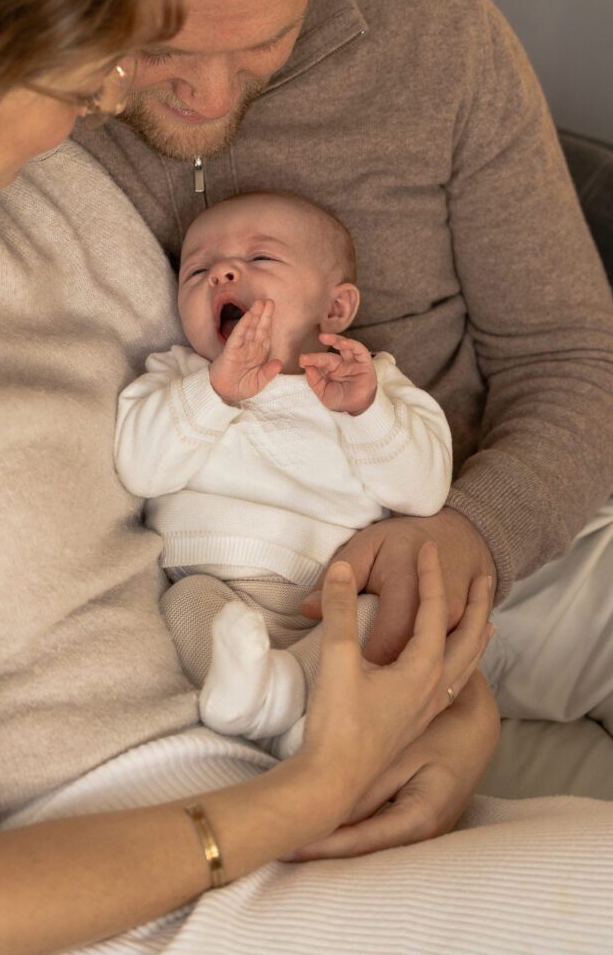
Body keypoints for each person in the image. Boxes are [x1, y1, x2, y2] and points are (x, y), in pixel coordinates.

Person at [83, 0, 613, 763]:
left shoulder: (438, 29)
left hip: (489, 538)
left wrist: (476, 535)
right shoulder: (30, 93)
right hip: (221, 588)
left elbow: (572, 358)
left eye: (264, 40)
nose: (212, 99)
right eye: (160, 44)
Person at [115, 190, 452, 754]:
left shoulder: (374, 384)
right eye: (196, 269)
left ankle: (291, 694)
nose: (221, 272)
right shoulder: (178, 375)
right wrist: (214, 390)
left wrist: (366, 413)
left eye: (261, 259)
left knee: (379, 617)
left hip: (328, 591)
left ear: (335, 309)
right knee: (186, 607)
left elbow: (424, 493)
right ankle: (259, 699)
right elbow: (139, 469)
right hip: (209, 579)